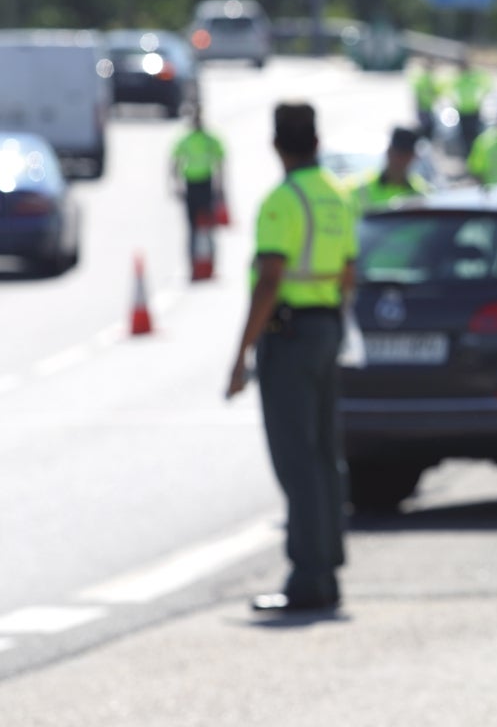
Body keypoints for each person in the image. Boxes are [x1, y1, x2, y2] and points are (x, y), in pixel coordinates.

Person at [226, 102, 358, 612]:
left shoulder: (281, 202)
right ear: (317, 142)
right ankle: (327, 570)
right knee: (324, 454)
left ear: (276, 145)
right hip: (326, 327)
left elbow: (269, 281)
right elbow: (349, 273)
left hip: (290, 335)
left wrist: (241, 354)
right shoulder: (337, 196)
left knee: (295, 458)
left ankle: (307, 576)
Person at [170, 108, 226, 262]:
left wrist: (220, 186)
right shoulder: (192, 140)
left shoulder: (207, 140)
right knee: (195, 227)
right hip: (193, 185)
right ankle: (194, 261)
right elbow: (175, 164)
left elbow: (220, 162)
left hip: (205, 184)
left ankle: (209, 261)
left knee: (205, 226)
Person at [350, 127, 429, 213]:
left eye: (405, 155)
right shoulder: (360, 187)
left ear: (413, 157)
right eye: (397, 153)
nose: (400, 160)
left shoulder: (423, 191)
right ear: (388, 151)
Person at [450, 57, 492, 156]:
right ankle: (469, 156)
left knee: (473, 137)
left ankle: (473, 155)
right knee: (467, 137)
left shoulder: (473, 78)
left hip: (473, 111)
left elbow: (487, 86)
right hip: (464, 111)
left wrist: (480, 100)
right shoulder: (460, 79)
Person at [410, 58, 441, 140]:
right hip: (424, 108)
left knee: (430, 128)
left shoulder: (429, 79)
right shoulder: (424, 80)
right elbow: (418, 94)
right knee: (426, 129)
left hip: (428, 108)